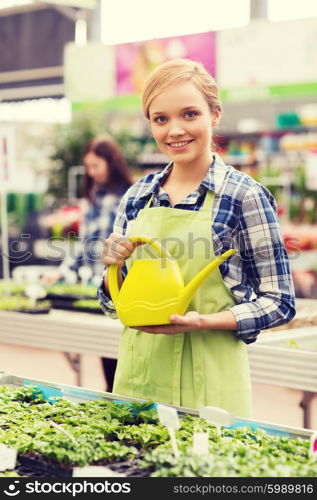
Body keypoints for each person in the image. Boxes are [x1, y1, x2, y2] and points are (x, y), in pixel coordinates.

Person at [98, 59, 295, 417]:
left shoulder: (242, 196)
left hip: (212, 381)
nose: (175, 130)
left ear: (215, 114)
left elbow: (279, 301)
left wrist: (205, 321)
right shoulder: (137, 196)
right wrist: (115, 267)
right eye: (161, 119)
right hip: (139, 378)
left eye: (189, 114)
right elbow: (116, 304)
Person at [42, 135, 133, 391]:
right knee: (107, 354)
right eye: (88, 167)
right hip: (100, 286)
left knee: (123, 355)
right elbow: (84, 244)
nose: (91, 173)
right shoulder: (93, 196)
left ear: (111, 163)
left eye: (96, 166)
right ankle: (113, 400)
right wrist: (61, 272)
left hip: (125, 287)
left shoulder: (129, 196)